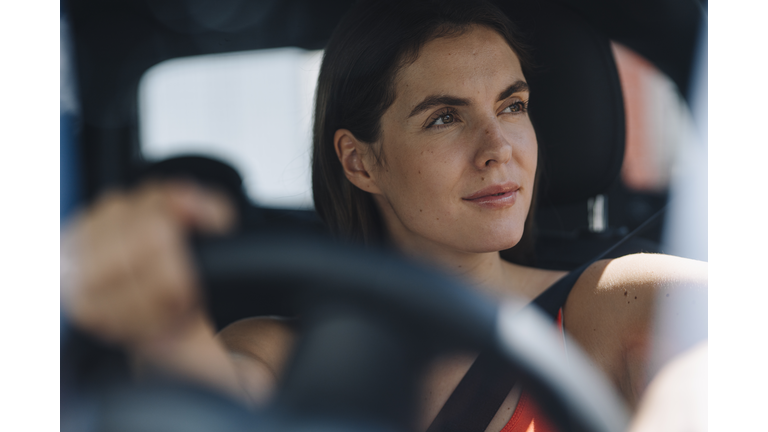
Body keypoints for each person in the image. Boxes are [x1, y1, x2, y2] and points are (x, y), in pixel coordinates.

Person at [60, 0, 707, 431]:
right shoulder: (279, 352)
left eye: (512, 106)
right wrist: (165, 328)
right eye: (445, 117)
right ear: (360, 161)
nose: (498, 149)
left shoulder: (614, 303)